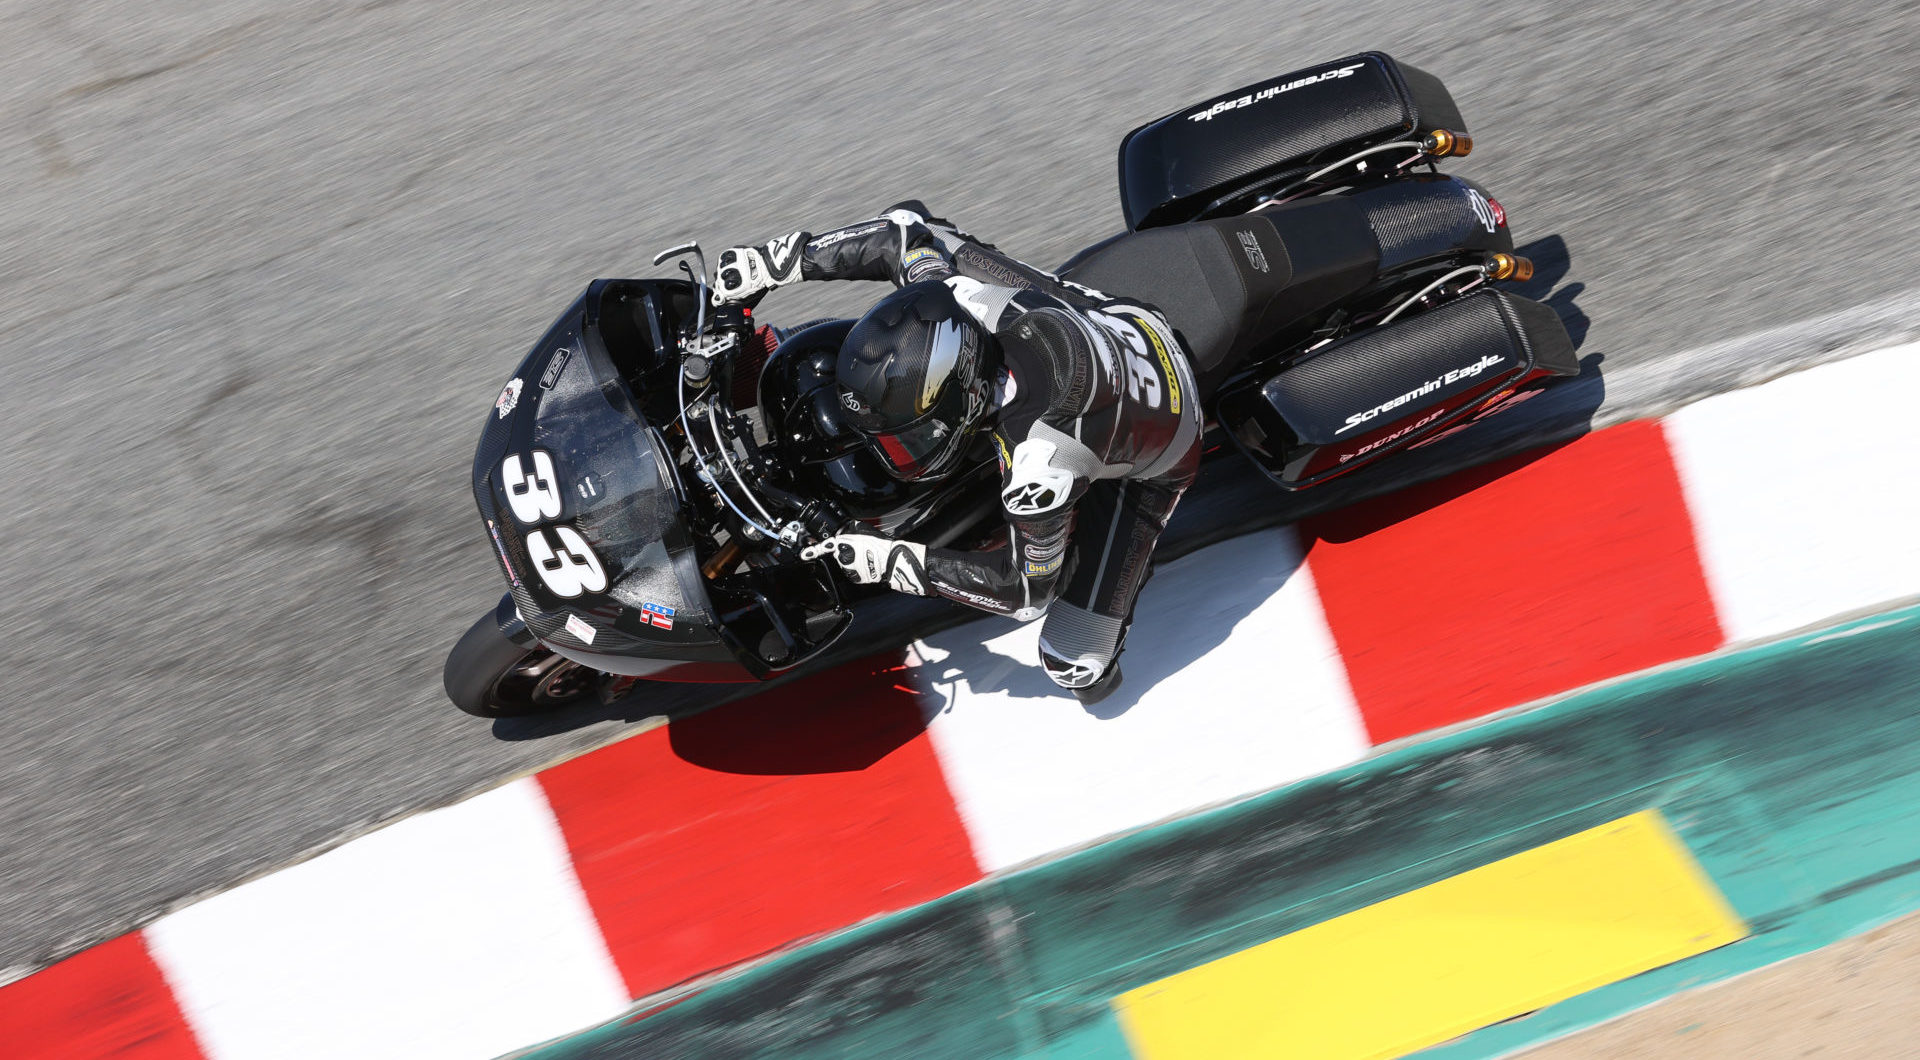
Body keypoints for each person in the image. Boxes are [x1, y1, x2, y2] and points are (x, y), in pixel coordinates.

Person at [710, 201, 1285, 703]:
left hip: (1163, 428)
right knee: (919, 220)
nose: (890, 452)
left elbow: (1022, 590)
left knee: (1075, 664)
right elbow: (902, 237)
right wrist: (777, 262)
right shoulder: (957, 300)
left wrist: (894, 563)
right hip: (1098, 317)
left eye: (905, 438)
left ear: (965, 396)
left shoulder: (1041, 463)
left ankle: (1111, 528)